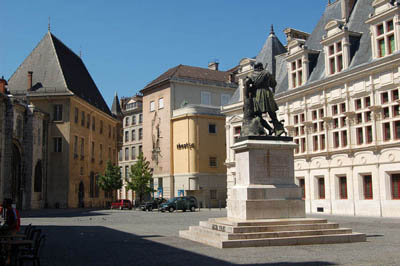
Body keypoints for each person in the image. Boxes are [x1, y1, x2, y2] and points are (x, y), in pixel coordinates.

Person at [244, 63, 285, 136]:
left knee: (257, 115)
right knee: (272, 114)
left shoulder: (251, 75)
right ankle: (278, 129)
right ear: (261, 67)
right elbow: (273, 84)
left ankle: (268, 129)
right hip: (267, 94)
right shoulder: (267, 73)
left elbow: (246, 82)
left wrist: (247, 96)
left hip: (256, 94)